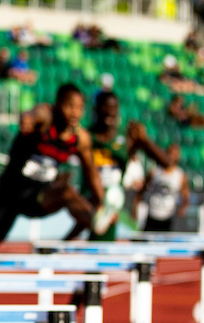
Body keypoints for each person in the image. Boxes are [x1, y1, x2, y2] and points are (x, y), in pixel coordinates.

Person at [0, 83, 100, 252]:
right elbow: (36, 113)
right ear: (57, 104)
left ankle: (81, 231)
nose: (75, 113)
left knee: (69, 194)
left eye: (79, 108)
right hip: (8, 198)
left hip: (38, 199)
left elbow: (91, 172)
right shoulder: (46, 118)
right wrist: (28, 118)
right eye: (69, 106)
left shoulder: (80, 139)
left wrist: (101, 200)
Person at [65, 90, 168, 241]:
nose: (110, 112)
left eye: (113, 108)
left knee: (101, 247)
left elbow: (166, 163)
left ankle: (63, 244)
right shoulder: (86, 136)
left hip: (113, 202)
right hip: (88, 200)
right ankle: (62, 245)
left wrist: (145, 141)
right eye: (105, 107)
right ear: (96, 109)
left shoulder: (126, 138)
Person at [135, 143, 189, 231]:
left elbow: (185, 195)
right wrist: (136, 204)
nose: (171, 157)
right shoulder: (155, 171)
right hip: (152, 214)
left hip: (168, 217)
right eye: (170, 153)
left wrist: (183, 207)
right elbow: (142, 189)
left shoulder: (180, 175)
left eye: (175, 155)